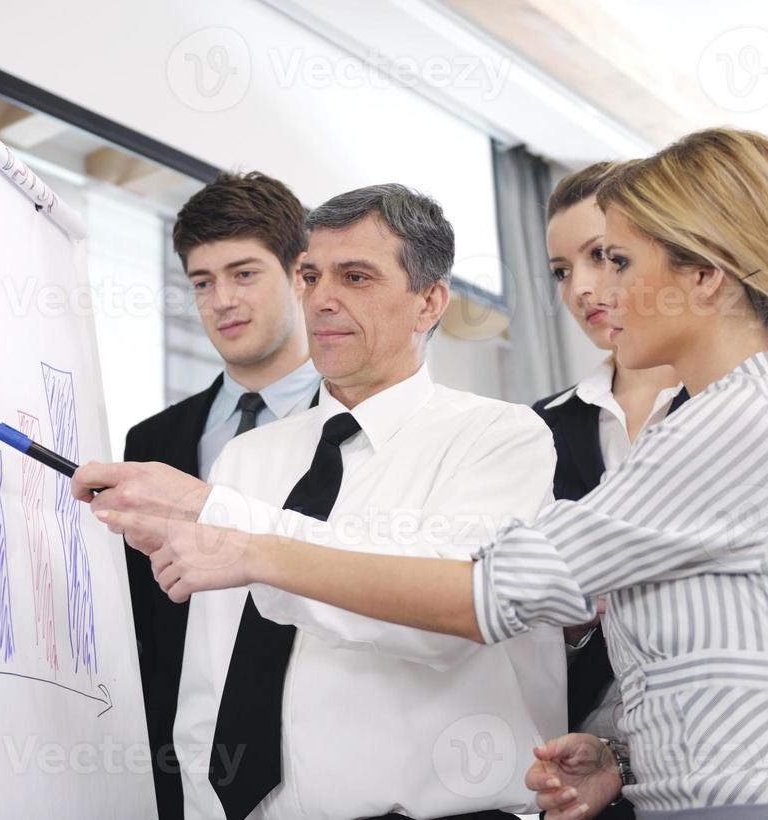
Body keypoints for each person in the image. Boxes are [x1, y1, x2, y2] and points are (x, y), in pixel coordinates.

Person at [96, 130, 768, 820]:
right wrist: (621, 753)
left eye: (619, 261)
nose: (596, 294)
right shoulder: (721, 424)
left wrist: (248, 540)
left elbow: (484, 596)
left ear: (704, 276)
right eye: (309, 275)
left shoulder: (719, 431)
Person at [88, 184, 564, 819]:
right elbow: (212, 680)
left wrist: (237, 533)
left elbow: (441, 617)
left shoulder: (499, 437)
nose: (322, 299)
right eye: (311, 276)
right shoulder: (248, 460)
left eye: (356, 276)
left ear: (428, 303)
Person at [122, 171, 320, 819]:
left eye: (244, 273)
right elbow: (147, 629)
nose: (222, 300)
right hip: (187, 769)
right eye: (202, 282)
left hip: (325, 757)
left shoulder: (356, 423)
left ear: (300, 273)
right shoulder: (153, 440)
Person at [537, 161, 688, 819]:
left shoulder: (739, 411)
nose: (583, 288)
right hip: (585, 778)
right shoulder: (533, 431)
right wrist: (564, 623)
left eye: (603, 256)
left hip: (722, 772)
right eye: (563, 271)